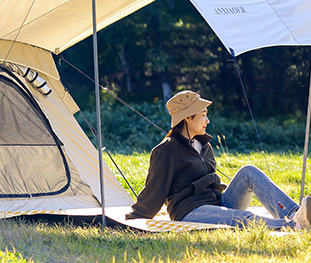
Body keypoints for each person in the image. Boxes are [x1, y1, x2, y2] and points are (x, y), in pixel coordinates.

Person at [127, 90, 311, 231]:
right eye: (203, 115)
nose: (207, 120)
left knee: (248, 171)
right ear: (188, 118)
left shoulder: (204, 145)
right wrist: (134, 218)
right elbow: (154, 191)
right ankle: (292, 227)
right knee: (243, 218)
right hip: (190, 211)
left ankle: (297, 215)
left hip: (218, 203)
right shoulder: (166, 151)